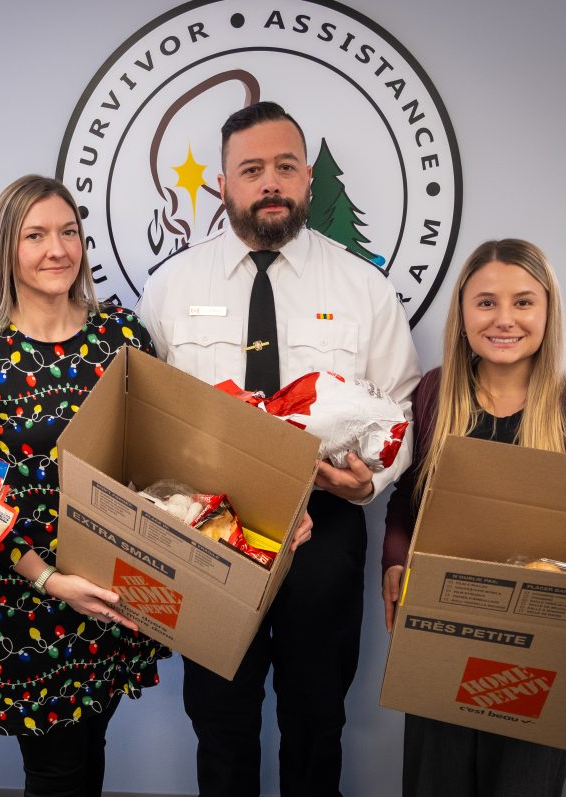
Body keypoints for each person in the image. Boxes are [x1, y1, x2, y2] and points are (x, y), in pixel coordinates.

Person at [136, 101, 421, 797]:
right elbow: (144, 409)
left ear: (306, 179)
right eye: (252, 169)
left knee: (317, 717)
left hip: (325, 521)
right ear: (224, 184)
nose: (271, 182)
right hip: (210, 530)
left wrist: (369, 481)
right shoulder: (172, 286)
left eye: (286, 167)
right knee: (219, 718)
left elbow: (403, 406)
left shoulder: (362, 287)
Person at [381, 238, 566, 797]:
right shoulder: (434, 394)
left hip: (546, 661)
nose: (504, 319)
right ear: (462, 314)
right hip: (446, 638)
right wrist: (394, 562)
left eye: (523, 302)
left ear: (548, 312)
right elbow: (407, 497)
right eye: (486, 302)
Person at [0, 175, 169, 797]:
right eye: (35, 235)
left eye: (69, 232)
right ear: (6, 249)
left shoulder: (121, 336)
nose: (57, 249)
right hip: (28, 600)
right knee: (56, 772)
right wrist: (49, 580)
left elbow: (158, 453)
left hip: (112, 589)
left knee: (89, 751)